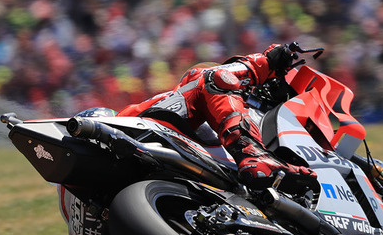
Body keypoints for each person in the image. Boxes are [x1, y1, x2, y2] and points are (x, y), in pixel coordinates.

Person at [117, 43, 317, 188]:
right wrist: (266, 63)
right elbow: (210, 75)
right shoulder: (196, 82)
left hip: (136, 194)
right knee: (215, 77)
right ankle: (250, 152)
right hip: (138, 132)